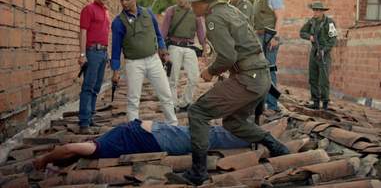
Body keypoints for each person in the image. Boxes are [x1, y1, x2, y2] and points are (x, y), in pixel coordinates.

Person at [170, 0, 289, 186]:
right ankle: (276, 147)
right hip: (258, 78)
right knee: (233, 122)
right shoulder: (230, 10)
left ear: (204, 2)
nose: (191, 6)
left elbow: (228, 57)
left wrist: (210, 71)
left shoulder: (214, 18)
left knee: (197, 112)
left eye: (193, 2)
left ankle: (198, 171)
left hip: (248, 79)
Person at [33, 119, 254, 170]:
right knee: (206, 135)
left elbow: (70, 148)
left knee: (207, 135)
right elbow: (70, 149)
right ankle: (252, 133)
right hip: (156, 135)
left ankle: (252, 134)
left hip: (157, 134)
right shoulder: (97, 148)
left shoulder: (97, 146)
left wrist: (44, 159)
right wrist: (45, 159)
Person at [111, 0, 178, 125]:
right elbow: (116, 49)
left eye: (127, 0)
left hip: (153, 60)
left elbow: (158, 35)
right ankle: (133, 130)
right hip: (133, 63)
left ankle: (173, 124)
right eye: (121, 0)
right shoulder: (118, 22)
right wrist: (116, 70)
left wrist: (163, 50)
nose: (124, 3)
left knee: (165, 94)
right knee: (133, 99)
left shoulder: (148, 13)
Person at [161, 0, 206, 112]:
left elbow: (200, 30)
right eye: (179, 2)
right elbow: (164, 30)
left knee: (194, 77)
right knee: (173, 77)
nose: (181, 4)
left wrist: (204, 45)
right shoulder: (172, 10)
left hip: (190, 47)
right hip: (174, 46)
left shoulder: (195, 12)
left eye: (183, 2)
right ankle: (173, 104)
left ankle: (186, 102)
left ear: (189, 1)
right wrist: (161, 49)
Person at [78, 0, 111, 134]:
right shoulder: (89, 9)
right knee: (88, 87)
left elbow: (105, 34)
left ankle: (90, 119)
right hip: (92, 52)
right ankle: (84, 123)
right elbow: (83, 32)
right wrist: (82, 54)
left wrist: (108, 53)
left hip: (103, 53)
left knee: (96, 88)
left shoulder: (106, 11)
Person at [253, 0, 285, 111]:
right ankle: (261, 103)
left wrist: (276, 37)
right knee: (258, 71)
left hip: (269, 37)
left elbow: (280, 18)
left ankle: (272, 105)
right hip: (258, 37)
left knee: (270, 70)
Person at [299, 1, 337, 110]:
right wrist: (309, 37)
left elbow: (333, 39)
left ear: (322, 11)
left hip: (324, 53)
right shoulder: (311, 22)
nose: (315, 12)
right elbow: (302, 32)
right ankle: (315, 102)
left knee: (323, 79)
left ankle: (325, 103)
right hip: (314, 51)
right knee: (313, 77)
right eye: (314, 10)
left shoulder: (329, 22)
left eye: (317, 10)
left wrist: (324, 50)